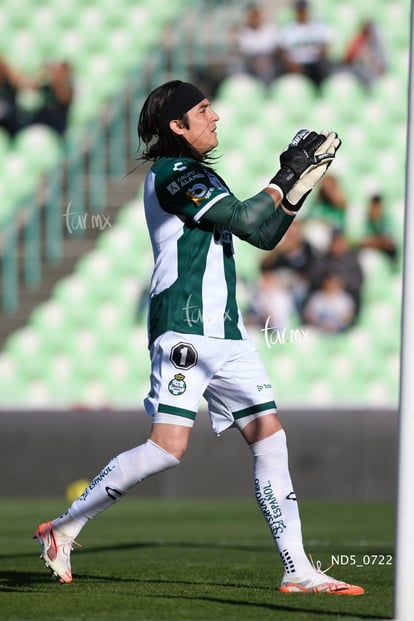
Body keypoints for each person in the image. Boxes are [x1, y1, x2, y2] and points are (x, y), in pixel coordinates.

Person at [33, 79, 363, 595]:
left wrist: (296, 188)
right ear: (177, 126)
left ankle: (298, 569)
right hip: (184, 327)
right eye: (204, 110)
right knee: (167, 448)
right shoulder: (173, 173)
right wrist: (287, 171)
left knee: (270, 437)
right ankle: (63, 527)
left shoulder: (198, 175)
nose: (216, 118)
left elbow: (262, 232)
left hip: (226, 332)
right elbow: (246, 217)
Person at [277, 0, 335, 90]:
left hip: (315, 62)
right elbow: (281, 50)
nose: (302, 13)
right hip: (295, 63)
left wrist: (320, 54)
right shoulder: (288, 29)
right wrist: (290, 63)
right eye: (300, 10)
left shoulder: (319, 26)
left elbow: (327, 44)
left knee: (323, 68)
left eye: (304, 10)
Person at [230, 4, 281, 87]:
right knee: (235, 67)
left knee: (265, 68)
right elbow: (244, 50)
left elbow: (276, 48)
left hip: (269, 59)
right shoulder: (244, 31)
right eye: (252, 15)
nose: (255, 17)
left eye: (256, 14)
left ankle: (266, 94)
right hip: (249, 60)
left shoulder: (270, 29)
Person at [28, 61, 74, 136]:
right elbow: (30, 88)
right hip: (41, 120)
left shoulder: (69, 85)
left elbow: (64, 98)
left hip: (58, 123)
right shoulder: (45, 84)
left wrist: (56, 79)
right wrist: (40, 75)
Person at [343, 19, 387, 91]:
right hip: (357, 70)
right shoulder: (359, 39)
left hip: (373, 71)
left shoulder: (379, 42)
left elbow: (383, 64)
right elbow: (350, 58)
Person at [358, 193, 398, 262]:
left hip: (388, 254)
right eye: (373, 207)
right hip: (374, 253)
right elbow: (362, 242)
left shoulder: (388, 219)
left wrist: (373, 241)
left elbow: (389, 243)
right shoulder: (367, 220)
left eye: (377, 207)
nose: (375, 210)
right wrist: (380, 241)